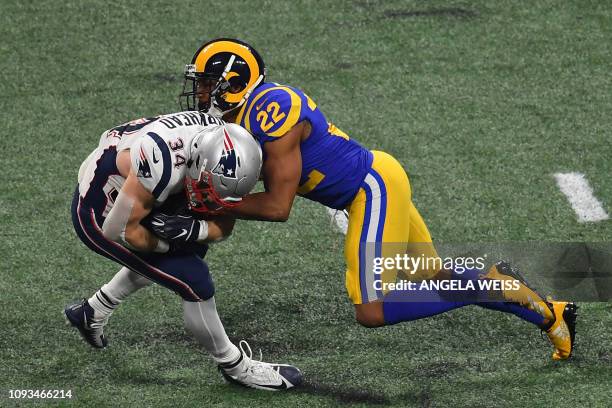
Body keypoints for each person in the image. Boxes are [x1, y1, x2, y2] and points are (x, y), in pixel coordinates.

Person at [166, 38, 577, 361]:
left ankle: (484, 285)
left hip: (370, 188)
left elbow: (278, 207)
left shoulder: (274, 111)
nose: (200, 91)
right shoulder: (242, 113)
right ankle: (548, 312)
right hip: (375, 181)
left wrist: (218, 204)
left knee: (372, 311)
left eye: (207, 82)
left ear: (234, 82)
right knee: (431, 277)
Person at [64, 111, 303, 390]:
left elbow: (222, 224)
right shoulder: (161, 162)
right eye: (205, 188)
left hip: (148, 189)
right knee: (194, 280)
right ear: (198, 164)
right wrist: (168, 245)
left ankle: (92, 311)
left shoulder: (224, 150)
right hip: (102, 211)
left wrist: (194, 232)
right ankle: (236, 367)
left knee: (189, 251)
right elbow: (119, 231)